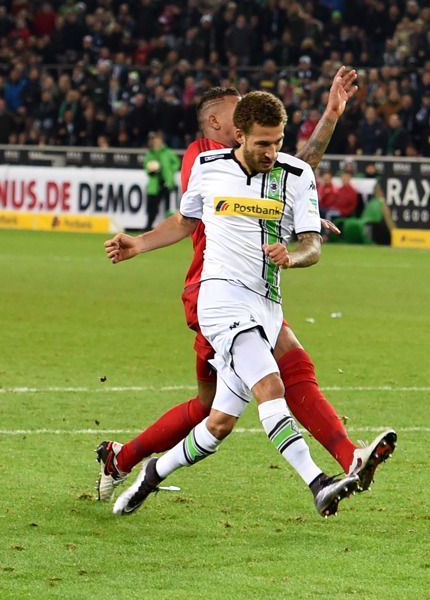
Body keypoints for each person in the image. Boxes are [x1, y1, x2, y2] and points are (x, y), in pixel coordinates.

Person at [101, 71, 396, 514]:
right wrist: (139, 243)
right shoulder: (203, 161)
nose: (272, 151)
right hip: (214, 294)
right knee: (274, 382)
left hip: (265, 299)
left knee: (216, 418)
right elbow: (185, 220)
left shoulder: (288, 172)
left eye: (277, 141)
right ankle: (321, 481)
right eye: (261, 141)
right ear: (227, 127)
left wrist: (297, 242)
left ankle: (142, 469)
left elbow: (304, 199)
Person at [143, 131, 181, 230]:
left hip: (167, 183)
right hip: (155, 184)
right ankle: (148, 226)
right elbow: (146, 166)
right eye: (155, 140)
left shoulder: (168, 152)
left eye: (158, 140)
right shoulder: (151, 153)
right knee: (153, 207)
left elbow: (176, 163)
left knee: (168, 207)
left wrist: (170, 171)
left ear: (161, 141)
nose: (156, 142)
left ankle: (171, 228)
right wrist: (151, 169)